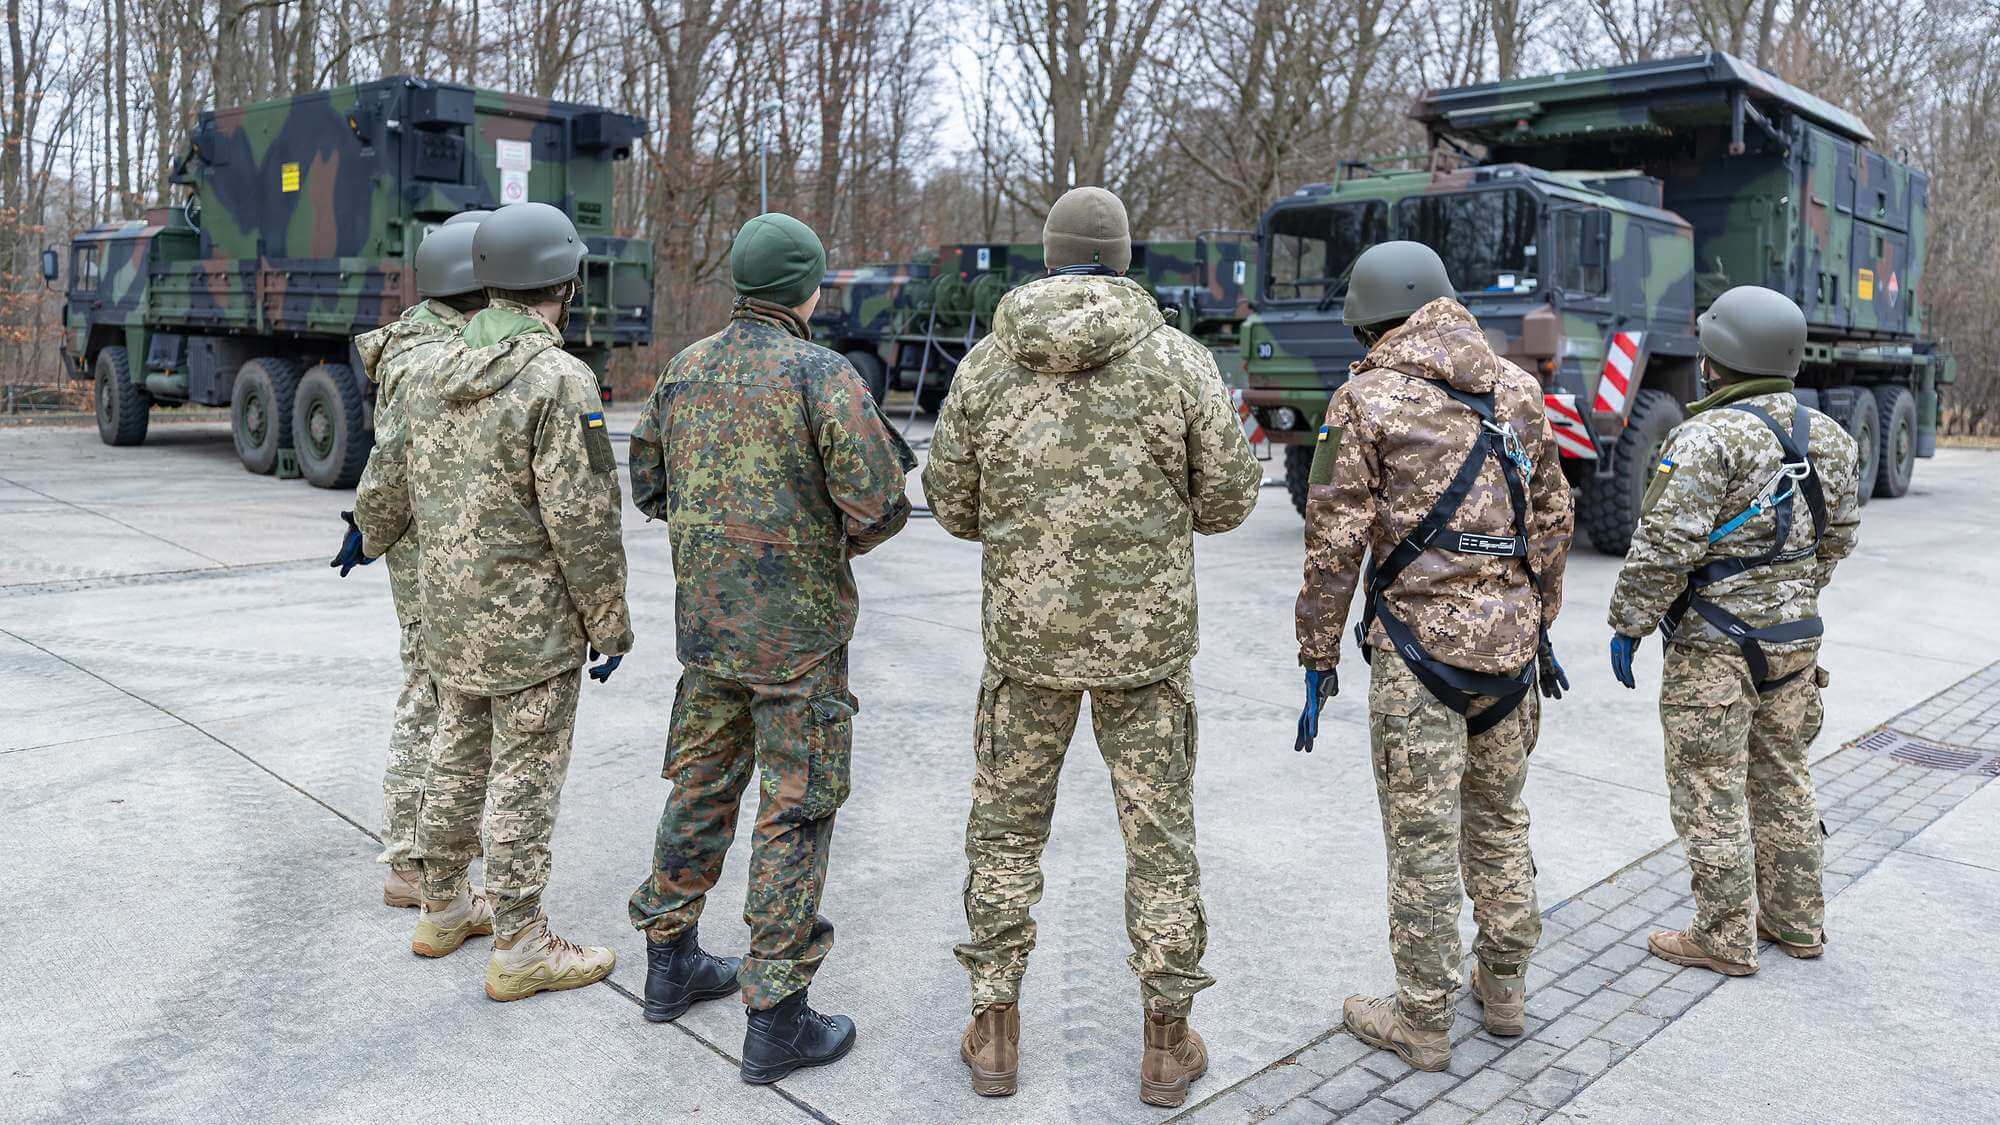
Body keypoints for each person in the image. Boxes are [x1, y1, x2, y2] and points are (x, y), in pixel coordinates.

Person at [923, 185, 1261, 1108]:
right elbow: (1230, 500)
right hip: (1144, 655)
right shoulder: (1180, 364)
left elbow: (950, 503)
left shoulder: (987, 366)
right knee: (1159, 840)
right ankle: (1165, 1038)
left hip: (1026, 647)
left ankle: (994, 1027)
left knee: (1002, 834)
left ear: (1047, 253)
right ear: (1120, 256)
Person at [624, 212, 914, 1084]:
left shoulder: (684, 369)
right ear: (809, 292)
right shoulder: (821, 375)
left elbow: (648, 485)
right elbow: (883, 504)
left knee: (700, 784)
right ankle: (777, 1013)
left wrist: (723, 544)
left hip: (709, 632)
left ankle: (669, 964)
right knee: (796, 805)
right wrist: (814, 548)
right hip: (799, 641)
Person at [1294, 241, 1573, 1073]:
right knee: (1500, 826)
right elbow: (1554, 520)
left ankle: (1421, 1019)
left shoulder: (1363, 400)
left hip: (1416, 662)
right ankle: (1507, 987)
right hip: (1511, 656)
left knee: (1421, 842)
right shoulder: (1518, 389)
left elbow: (1333, 545)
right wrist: (1532, 619)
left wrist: (1317, 655)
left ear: (1368, 315)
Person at [353, 201, 633, 1001]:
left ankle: (442, 906)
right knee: (524, 775)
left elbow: (390, 472)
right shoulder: (558, 378)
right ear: (565, 282)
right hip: (531, 627)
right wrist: (609, 623)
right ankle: (520, 944)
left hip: (449, 612)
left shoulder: (430, 368)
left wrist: (368, 532)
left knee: (455, 754)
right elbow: (582, 522)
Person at [1608, 284, 1860, 977]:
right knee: (1785, 775)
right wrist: (1792, 594)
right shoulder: (1831, 438)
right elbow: (1839, 536)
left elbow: (1663, 544)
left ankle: (1724, 935)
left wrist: (1629, 621)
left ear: (1716, 357)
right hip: (1796, 641)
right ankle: (1797, 921)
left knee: (1708, 786)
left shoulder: (1705, 437)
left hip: (1714, 649)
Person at [333, 213, 489, 909]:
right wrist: (369, 528)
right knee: (432, 694)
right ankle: (409, 857)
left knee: (437, 691)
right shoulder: (431, 355)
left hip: (441, 549)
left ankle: (424, 849)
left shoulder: (436, 341)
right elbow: (393, 463)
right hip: (437, 555)